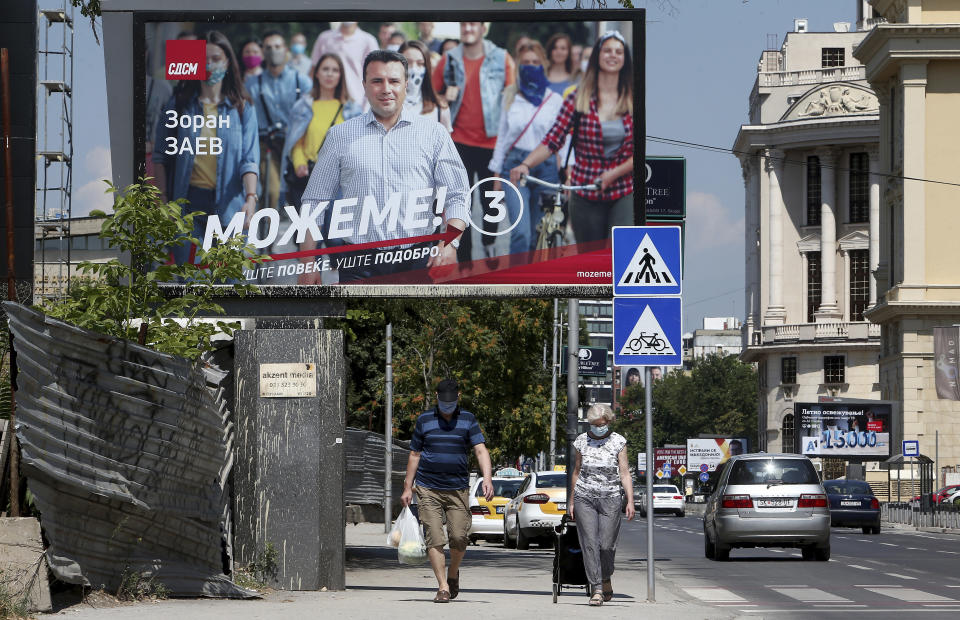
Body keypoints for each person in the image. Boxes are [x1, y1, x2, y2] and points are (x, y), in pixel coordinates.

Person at [297, 50, 470, 283]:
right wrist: (307, 263)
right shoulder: (340, 135)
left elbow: (458, 195)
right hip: (358, 263)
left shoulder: (434, 134)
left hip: (417, 261)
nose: (386, 88)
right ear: (365, 85)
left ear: (406, 85)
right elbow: (315, 201)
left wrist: (450, 243)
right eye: (377, 81)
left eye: (394, 81)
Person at [510, 31, 635, 247]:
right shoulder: (577, 98)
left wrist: (614, 173)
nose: (613, 55)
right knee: (591, 263)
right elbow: (553, 139)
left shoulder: (634, 98)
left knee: (621, 252)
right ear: (597, 55)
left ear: (625, 59)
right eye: (607, 50)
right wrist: (525, 164)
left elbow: (641, 150)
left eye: (619, 52)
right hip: (585, 192)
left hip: (623, 190)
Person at [153, 30, 259, 267]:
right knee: (192, 285)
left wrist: (250, 198)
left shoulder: (243, 107)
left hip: (230, 208)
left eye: (216, 58)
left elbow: (249, 159)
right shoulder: (178, 104)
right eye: (204, 59)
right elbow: (160, 155)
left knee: (229, 284)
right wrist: (164, 200)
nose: (209, 64)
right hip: (188, 207)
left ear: (228, 63)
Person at [400, 379, 494, 604]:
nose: (447, 407)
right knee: (434, 536)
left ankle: (453, 573)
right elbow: (415, 454)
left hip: (457, 488)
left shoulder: (468, 419)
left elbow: (480, 450)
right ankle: (443, 587)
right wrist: (407, 487)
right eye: (443, 403)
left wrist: (487, 479)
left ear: (458, 397)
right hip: (428, 487)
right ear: (436, 397)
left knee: (459, 537)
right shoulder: (424, 420)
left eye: (451, 403)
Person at [432, 21, 515, 263]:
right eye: (464, 24)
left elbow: (512, 98)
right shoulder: (449, 59)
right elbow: (433, 91)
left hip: (492, 142)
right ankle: (466, 261)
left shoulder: (502, 58)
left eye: (473, 24)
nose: (467, 28)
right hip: (458, 142)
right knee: (461, 203)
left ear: (483, 28)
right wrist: (444, 99)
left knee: (491, 202)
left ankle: (489, 244)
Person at [487, 41, 566, 256]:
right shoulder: (510, 97)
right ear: (519, 66)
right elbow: (502, 138)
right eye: (526, 62)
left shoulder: (555, 100)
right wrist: (496, 176)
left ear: (544, 65)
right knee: (520, 232)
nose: (531, 66)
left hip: (546, 168)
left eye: (535, 62)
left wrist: (565, 173)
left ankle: (533, 282)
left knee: (537, 234)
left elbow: (562, 139)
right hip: (514, 167)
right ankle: (516, 284)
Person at [569, 404, 634, 606]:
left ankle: (605, 577)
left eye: (603, 424)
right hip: (584, 497)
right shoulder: (581, 441)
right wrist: (571, 500)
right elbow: (577, 472)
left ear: (609, 422)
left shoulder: (618, 442)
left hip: (611, 498)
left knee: (606, 545)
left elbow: (624, 473)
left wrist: (630, 500)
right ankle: (596, 588)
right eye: (595, 424)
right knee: (589, 544)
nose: (599, 427)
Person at [282, 53, 360, 209]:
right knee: (308, 231)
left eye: (335, 70)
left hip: (340, 183)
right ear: (316, 73)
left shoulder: (351, 109)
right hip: (309, 179)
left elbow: (359, 146)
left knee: (335, 232)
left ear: (341, 75)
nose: (330, 74)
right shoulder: (303, 106)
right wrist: (299, 163)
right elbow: (296, 143)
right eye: (325, 69)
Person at [246, 31, 311, 213]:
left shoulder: (302, 81)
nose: (273, 51)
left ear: (286, 50)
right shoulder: (252, 84)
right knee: (271, 192)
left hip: (296, 144)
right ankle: (266, 237)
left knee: (301, 196)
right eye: (268, 47)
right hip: (268, 143)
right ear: (263, 52)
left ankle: (302, 238)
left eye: (277, 47)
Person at [310, 21, 379, 108]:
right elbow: (313, 71)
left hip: (356, 101)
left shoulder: (368, 41)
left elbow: (375, 75)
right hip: (326, 101)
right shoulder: (324, 38)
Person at [399, 40, 452, 131]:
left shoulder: (440, 109)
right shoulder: (386, 104)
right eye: (407, 63)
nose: (414, 69)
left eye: (420, 64)